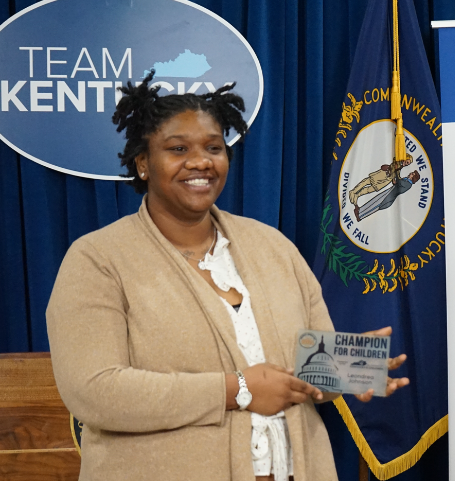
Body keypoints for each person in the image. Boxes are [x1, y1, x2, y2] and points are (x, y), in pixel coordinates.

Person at [45, 70, 409, 481]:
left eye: (213, 148)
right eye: (178, 149)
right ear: (143, 163)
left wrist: (348, 370)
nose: (200, 161)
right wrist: (238, 389)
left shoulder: (273, 247)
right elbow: (95, 392)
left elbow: (306, 370)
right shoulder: (98, 259)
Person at [354, 170, 420, 221]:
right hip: (389, 191)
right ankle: (360, 210)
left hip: (389, 197)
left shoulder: (408, 184)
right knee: (374, 200)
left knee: (375, 206)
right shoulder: (406, 179)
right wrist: (394, 180)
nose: (410, 173)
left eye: (412, 174)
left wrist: (397, 173)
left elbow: (400, 183)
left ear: (413, 177)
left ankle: (360, 216)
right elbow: (397, 183)